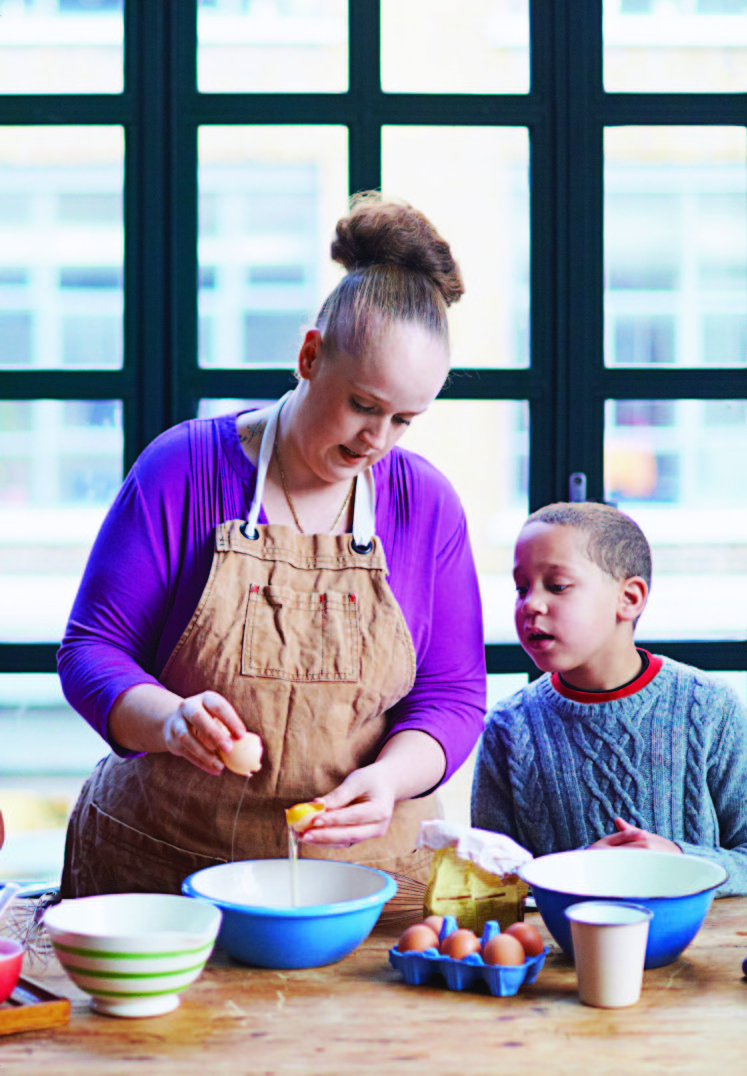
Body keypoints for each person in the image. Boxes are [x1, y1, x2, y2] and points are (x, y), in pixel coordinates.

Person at [58, 194, 487, 897]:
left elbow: (453, 694)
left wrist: (389, 779)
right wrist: (169, 721)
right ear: (310, 355)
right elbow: (90, 652)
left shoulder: (424, 504)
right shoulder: (185, 469)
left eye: (404, 420)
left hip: (364, 884)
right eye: (363, 405)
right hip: (166, 873)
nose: (374, 441)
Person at [471, 501, 747, 893]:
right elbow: (489, 881)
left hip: (699, 947)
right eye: (521, 587)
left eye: (557, 585)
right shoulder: (508, 726)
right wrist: (580, 871)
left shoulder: (710, 707)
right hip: (564, 952)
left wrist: (681, 861)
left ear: (630, 598)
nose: (530, 603)